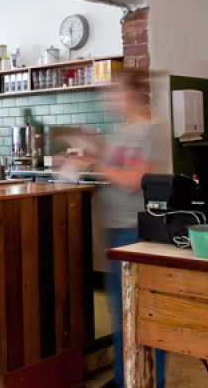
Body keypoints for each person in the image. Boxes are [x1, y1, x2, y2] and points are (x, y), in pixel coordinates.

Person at [62, 68, 166, 388]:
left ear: (134, 94)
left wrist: (94, 163)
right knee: (121, 314)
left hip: (134, 233)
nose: (109, 97)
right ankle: (124, 378)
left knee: (142, 315)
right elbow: (115, 165)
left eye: (115, 91)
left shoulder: (151, 130)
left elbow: (134, 180)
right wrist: (94, 147)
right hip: (115, 233)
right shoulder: (123, 130)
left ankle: (150, 381)